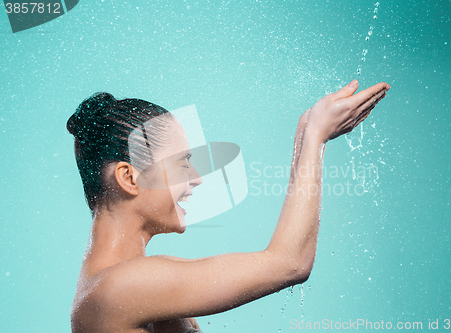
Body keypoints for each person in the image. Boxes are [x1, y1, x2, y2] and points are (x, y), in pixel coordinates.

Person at [68, 79, 390, 333]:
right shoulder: (119, 289)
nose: (196, 179)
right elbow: (290, 263)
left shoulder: (121, 284)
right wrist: (315, 137)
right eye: (182, 164)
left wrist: (304, 134)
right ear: (129, 177)